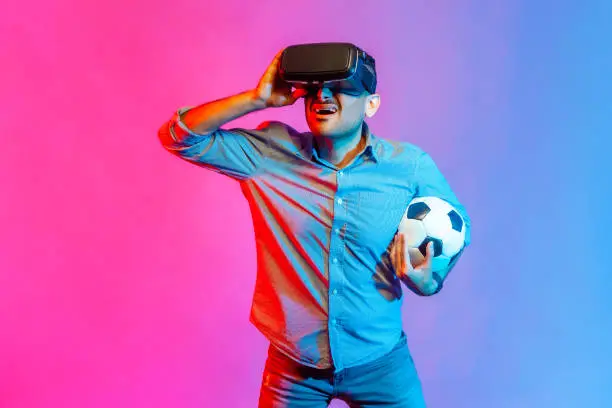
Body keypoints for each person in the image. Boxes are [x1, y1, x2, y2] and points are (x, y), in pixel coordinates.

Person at [158, 45, 471, 408]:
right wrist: (257, 99)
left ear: (371, 104)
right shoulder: (269, 155)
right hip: (294, 368)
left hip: (380, 363)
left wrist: (430, 281)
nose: (323, 95)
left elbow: (458, 225)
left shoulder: (409, 166)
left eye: (340, 86)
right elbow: (178, 137)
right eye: (315, 87)